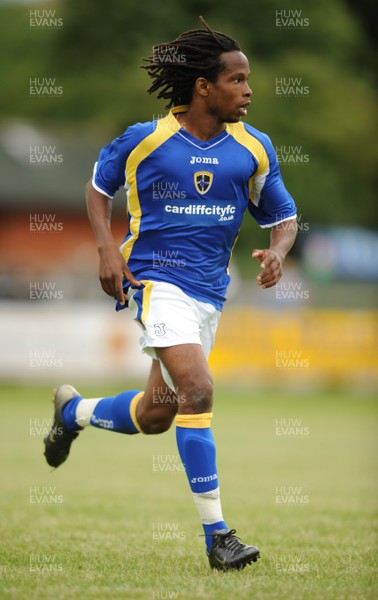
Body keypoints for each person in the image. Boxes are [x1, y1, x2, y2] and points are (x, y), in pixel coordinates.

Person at [44, 17, 297, 571]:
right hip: (156, 282)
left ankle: (74, 413)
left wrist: (278, 250)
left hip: (210, 293)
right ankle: (219, 538)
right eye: (237, 80)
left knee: (158, 412)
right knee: (199, 391)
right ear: (204, 86)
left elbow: (284, 215)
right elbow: (96, 187)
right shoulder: (147, 140)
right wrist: (108, 251)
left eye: (248, 80)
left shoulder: (253, 148)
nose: (248, 90)